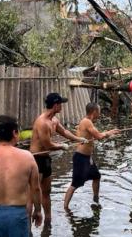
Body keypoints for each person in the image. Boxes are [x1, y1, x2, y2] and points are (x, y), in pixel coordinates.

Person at [30, 93, 88, 222]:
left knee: (47, 191)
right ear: (56, 105)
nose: (62, 106)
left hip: (46, 160)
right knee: (33, 193)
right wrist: (61, 146)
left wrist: (79, 139)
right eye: (61, 103)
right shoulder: (42, 122)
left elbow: (65, 132)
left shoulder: (54, 121)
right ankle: (28, 225)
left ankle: (48, 220)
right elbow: (48, 145)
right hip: (36, 160)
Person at [63, 103, 119, 210]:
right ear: (94, 112)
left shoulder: (87, 122)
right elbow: (98, 136)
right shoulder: (87, 122)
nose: (100, 114)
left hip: (87, 158)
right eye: (99, 111)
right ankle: (65, 208)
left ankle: (95, 199)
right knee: (75, 184)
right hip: (80, 157)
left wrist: (108, 132)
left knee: (96, 176)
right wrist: (110, 132)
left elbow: (97, 135)